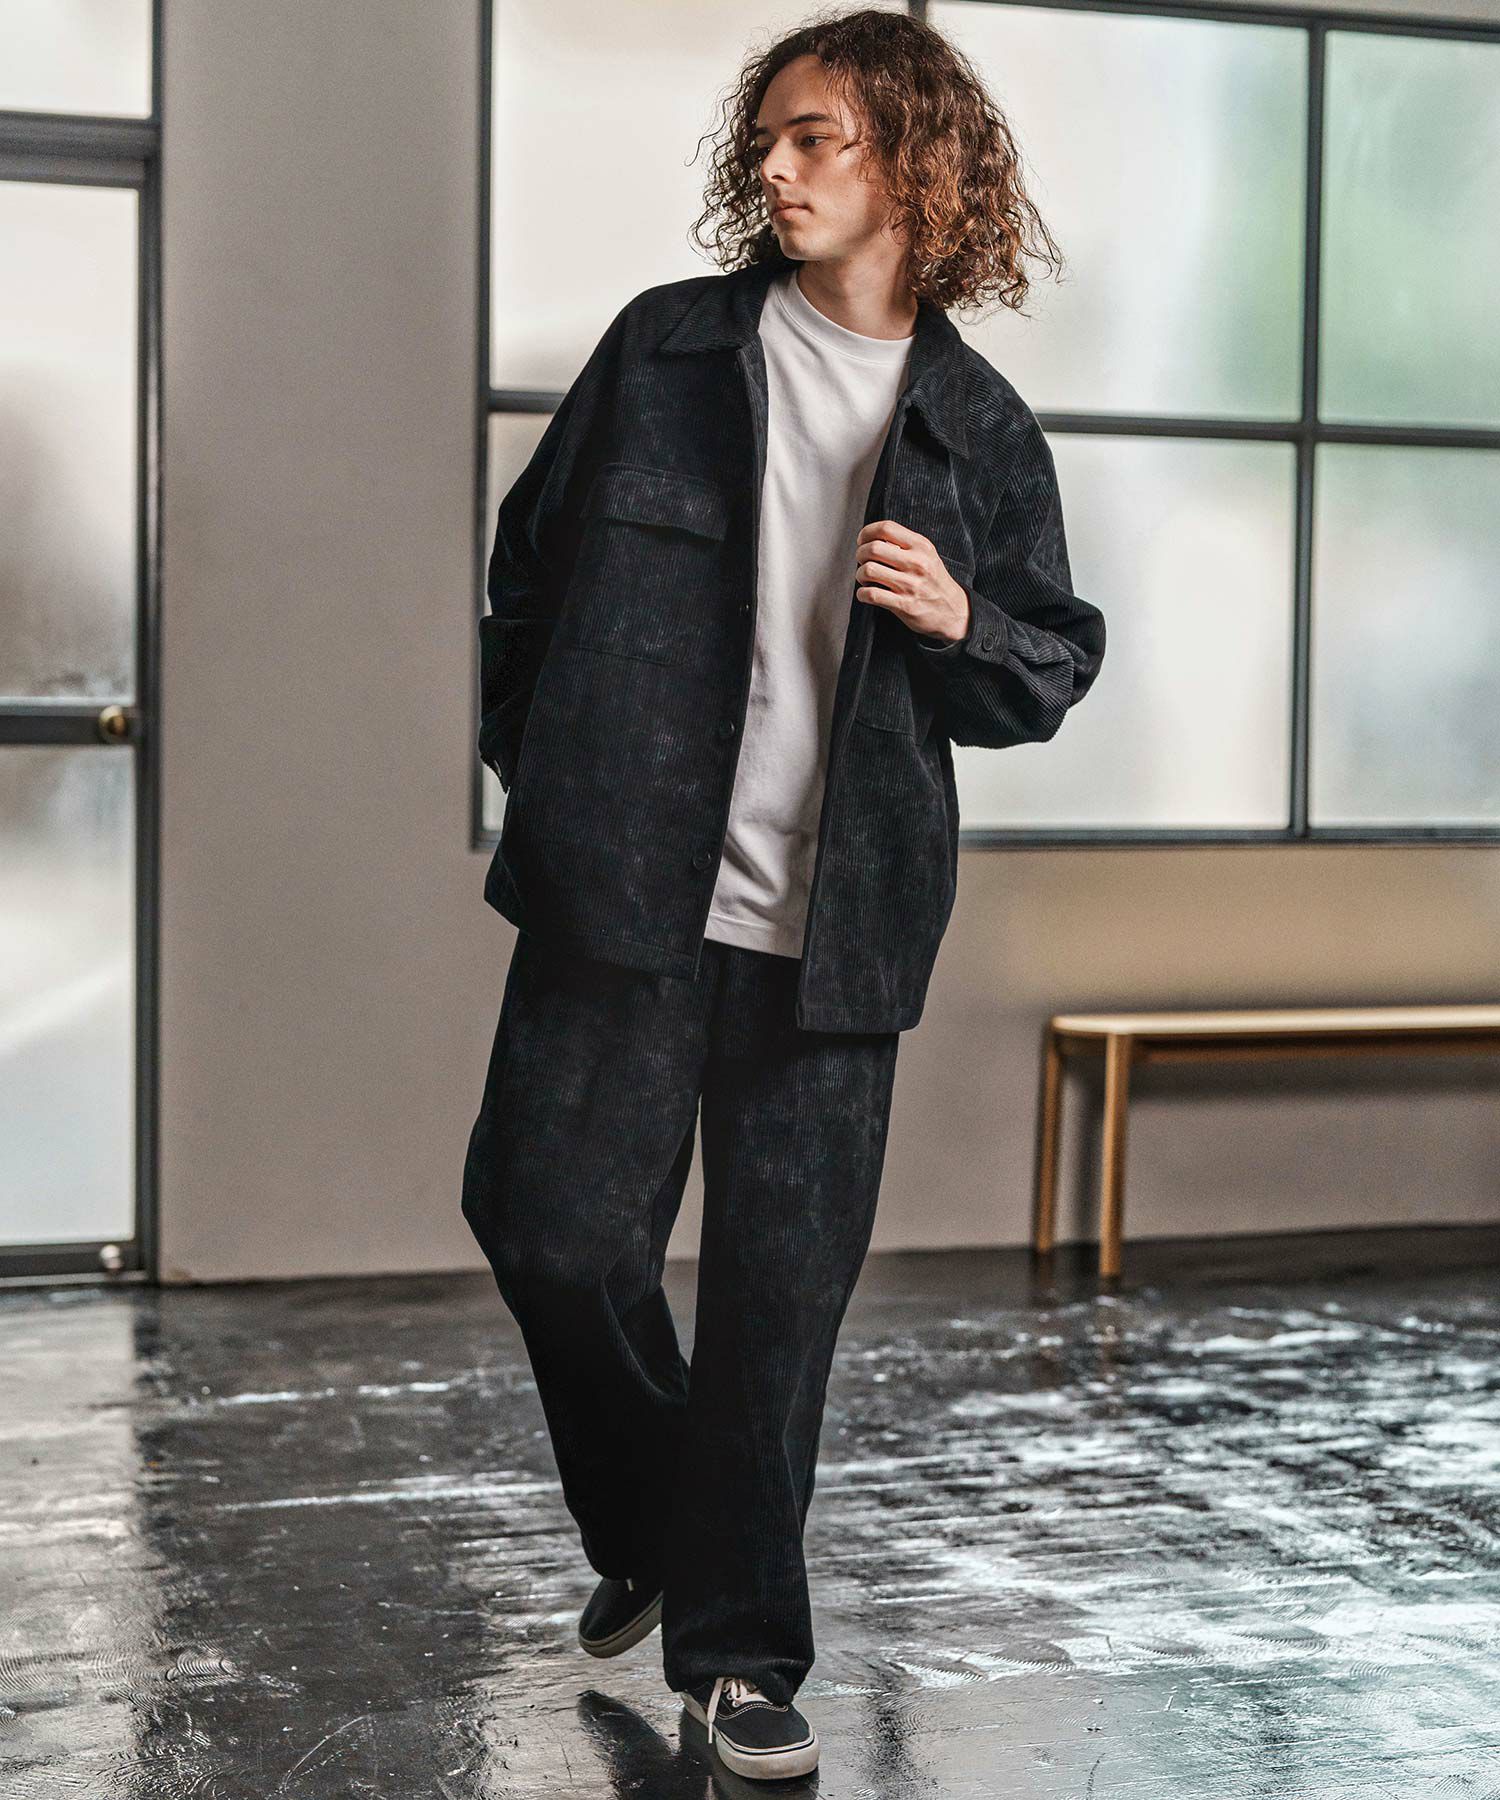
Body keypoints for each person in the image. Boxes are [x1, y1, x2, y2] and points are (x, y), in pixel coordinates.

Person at [461, 8, 1105, 1781]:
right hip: (626, 901)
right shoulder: (666, 352)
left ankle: (741, 1657)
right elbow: (523, 582)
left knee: (775, 1315)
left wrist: (964, 621)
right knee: (549, 1227)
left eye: (818, 136)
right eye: (769, 137)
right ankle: (664, 1528)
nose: (777, 164)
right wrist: (556, 773)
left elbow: (1051, 665)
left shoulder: (977, 428)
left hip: (841, 936)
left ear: (916, 162)